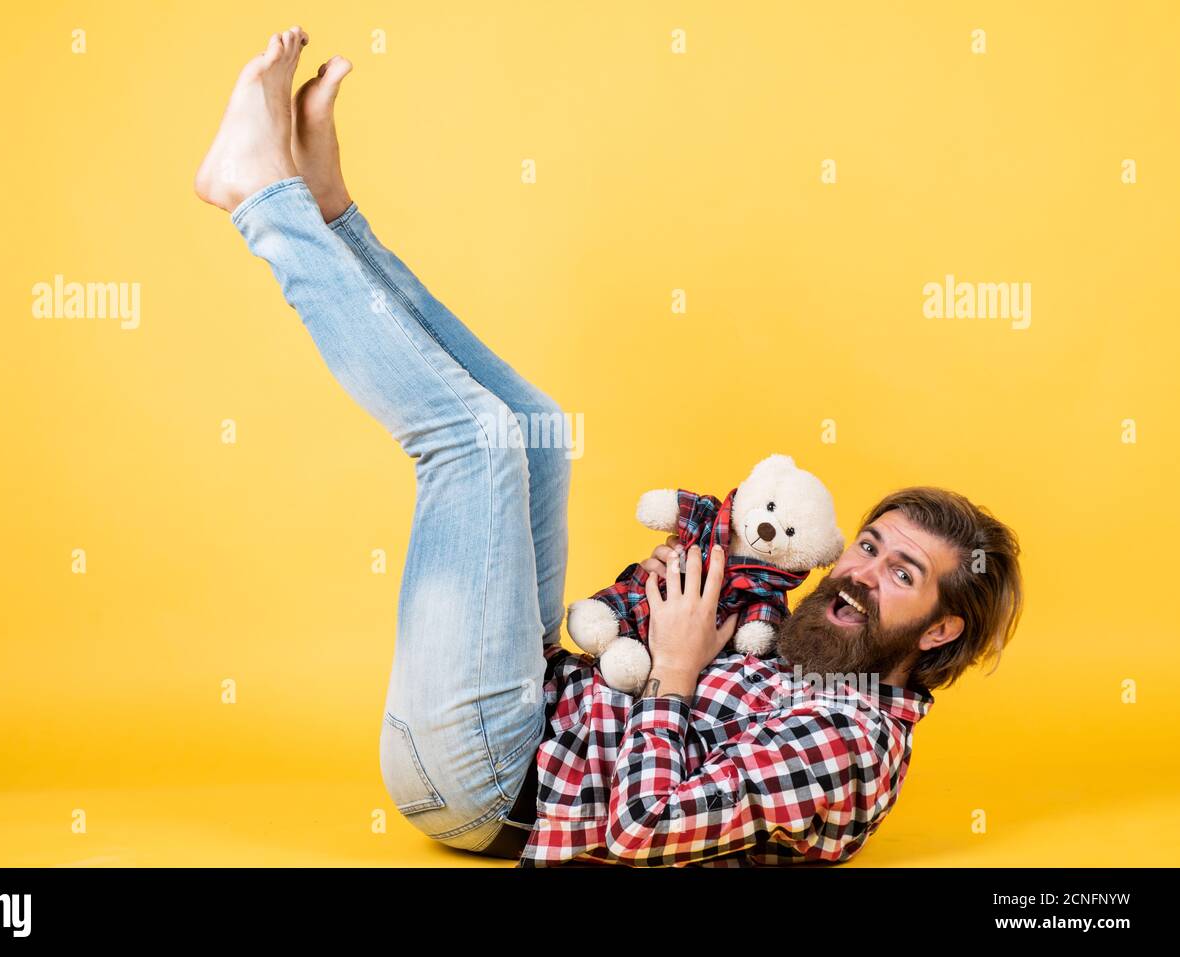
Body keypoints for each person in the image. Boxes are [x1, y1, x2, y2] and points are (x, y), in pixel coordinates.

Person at [194, 26, 1024, 867]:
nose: (859, 572)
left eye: (902, 575)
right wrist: (674, 618)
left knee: (473, 442)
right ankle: (334, 218)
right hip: (535, 695)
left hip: (486, 783)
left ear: (939, 630)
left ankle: (261, 202)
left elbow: (644, 828)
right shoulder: (799, 644)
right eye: (872, 547)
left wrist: (672, 665)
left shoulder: (849, 745)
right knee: (535, 426)